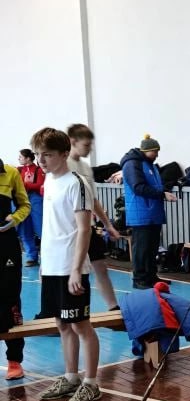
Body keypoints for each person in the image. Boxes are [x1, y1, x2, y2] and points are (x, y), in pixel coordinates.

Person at [30, 128, 101, 401]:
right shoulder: (49, 181)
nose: (41, 160)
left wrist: (75, 269)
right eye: (38, 154)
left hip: (72, 267)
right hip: (52, 266)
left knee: (80, 324)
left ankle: (91, 383)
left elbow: (84, 229)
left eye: (46, 154)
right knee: (61, 323)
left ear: (63, 154)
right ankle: (71, 377)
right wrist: (44, 265)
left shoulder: (77, 184)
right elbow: (52, 227)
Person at [67, 124, 121, 310]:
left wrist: (108, 225)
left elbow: (93, 199)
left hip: (88, 227)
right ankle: (64, 310)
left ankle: (113, 307)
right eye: (86, 144)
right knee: (73, 270)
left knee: (101, 267)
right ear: (73, 141)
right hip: (71, 229)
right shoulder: (64, 166)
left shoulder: (85, 168)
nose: (89, 149)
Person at [120, 134, 177, 289]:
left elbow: (155, 185)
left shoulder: (149, 164)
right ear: (146, 150)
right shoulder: (132, 164)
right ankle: (139, 279)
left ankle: (151, 276)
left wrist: (164, 190)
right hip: (141, 213)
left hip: (152, 212)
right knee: (142, 248)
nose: (157, 154)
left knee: (152, 247)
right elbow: (138, 187)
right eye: (155, 151)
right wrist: (162, 194)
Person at [0, 159, 31, 380]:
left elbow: (25, 205)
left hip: (6, 244)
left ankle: (14, 360)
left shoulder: (10, 173)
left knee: (11, 300)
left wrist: (14, 219)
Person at [16, 148, 44, 267]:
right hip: (23, 200)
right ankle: (31, 257)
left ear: (28, 158)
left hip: (35, 200)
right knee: (25, 230)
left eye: (21, 157)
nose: (18, 159)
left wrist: (26, 184)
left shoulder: (38, 169)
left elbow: (40, 185)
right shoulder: (19, 170)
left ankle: (48, 256)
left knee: (41, 229)